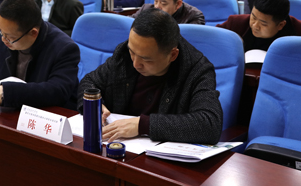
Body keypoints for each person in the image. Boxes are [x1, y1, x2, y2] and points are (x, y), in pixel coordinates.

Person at [78, 8, 222, 144]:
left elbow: (209, 124)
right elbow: (89, 82)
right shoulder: (124, 55)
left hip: (163, 156)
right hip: (118, 147)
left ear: (172, 55)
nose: (136, 64)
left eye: (146, 59)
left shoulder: (196, 70)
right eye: (132, 52)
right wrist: (94, 105)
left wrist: (142, 125)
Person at [217, 0, 301, 53]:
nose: (255, 26)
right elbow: (212, 39)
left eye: (263, 23)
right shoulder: (235, 24)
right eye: (253, 17)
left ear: (281, 25)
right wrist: (230, 40)